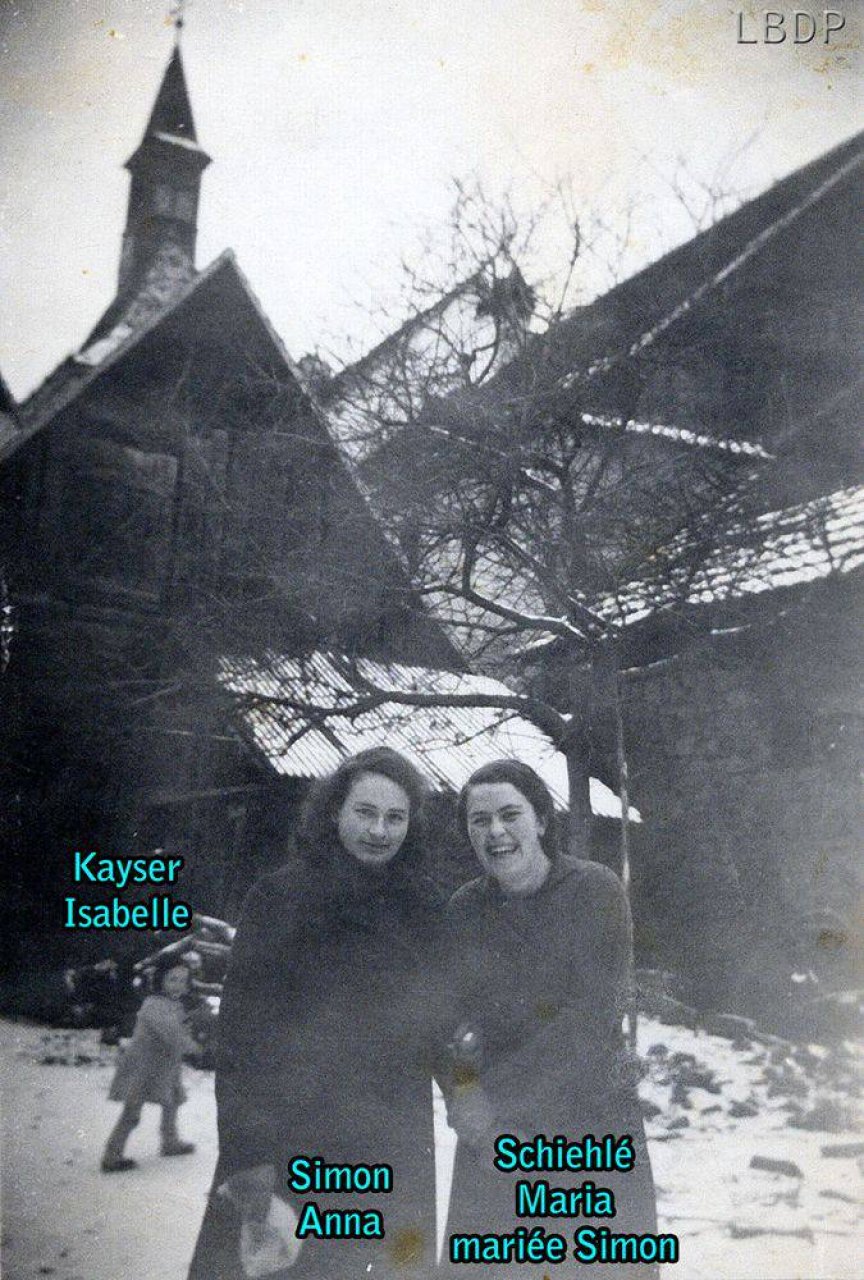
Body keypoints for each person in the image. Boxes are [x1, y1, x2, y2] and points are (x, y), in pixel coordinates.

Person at [188, 747, 441, 1279]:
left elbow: (444, 1021)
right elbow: (241, 1038)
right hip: (291, 1144)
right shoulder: (280, 898)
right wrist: (250, 1160)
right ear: (333, 812)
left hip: (391, 1148)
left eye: (395, 817)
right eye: (365, 812)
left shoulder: (424, 907)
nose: (379, 831)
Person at [441, 760, 658, 1277]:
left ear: (540, 819)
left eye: (510, 814)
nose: (495, 831)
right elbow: (449, 1022)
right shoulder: (464, 910)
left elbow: (588, 1019)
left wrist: (496, 1112)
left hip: (585, 1131)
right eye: (479, 820)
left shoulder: (595, 892)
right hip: (491, 1141)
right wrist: (462, 1094)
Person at [101, 953, 198, 1172]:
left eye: (183, 980)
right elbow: (172, 1034)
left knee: (172, 1101)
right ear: (160, 980)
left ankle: (170, 1141)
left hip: (165, 1065)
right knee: (132, 1113)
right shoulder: (152, 1005)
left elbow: (181, 1029)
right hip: (142, 1068)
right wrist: (195, 1047)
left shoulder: (175, 1005)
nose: (178, 985)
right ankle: (112, 1155)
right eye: (172, 979)